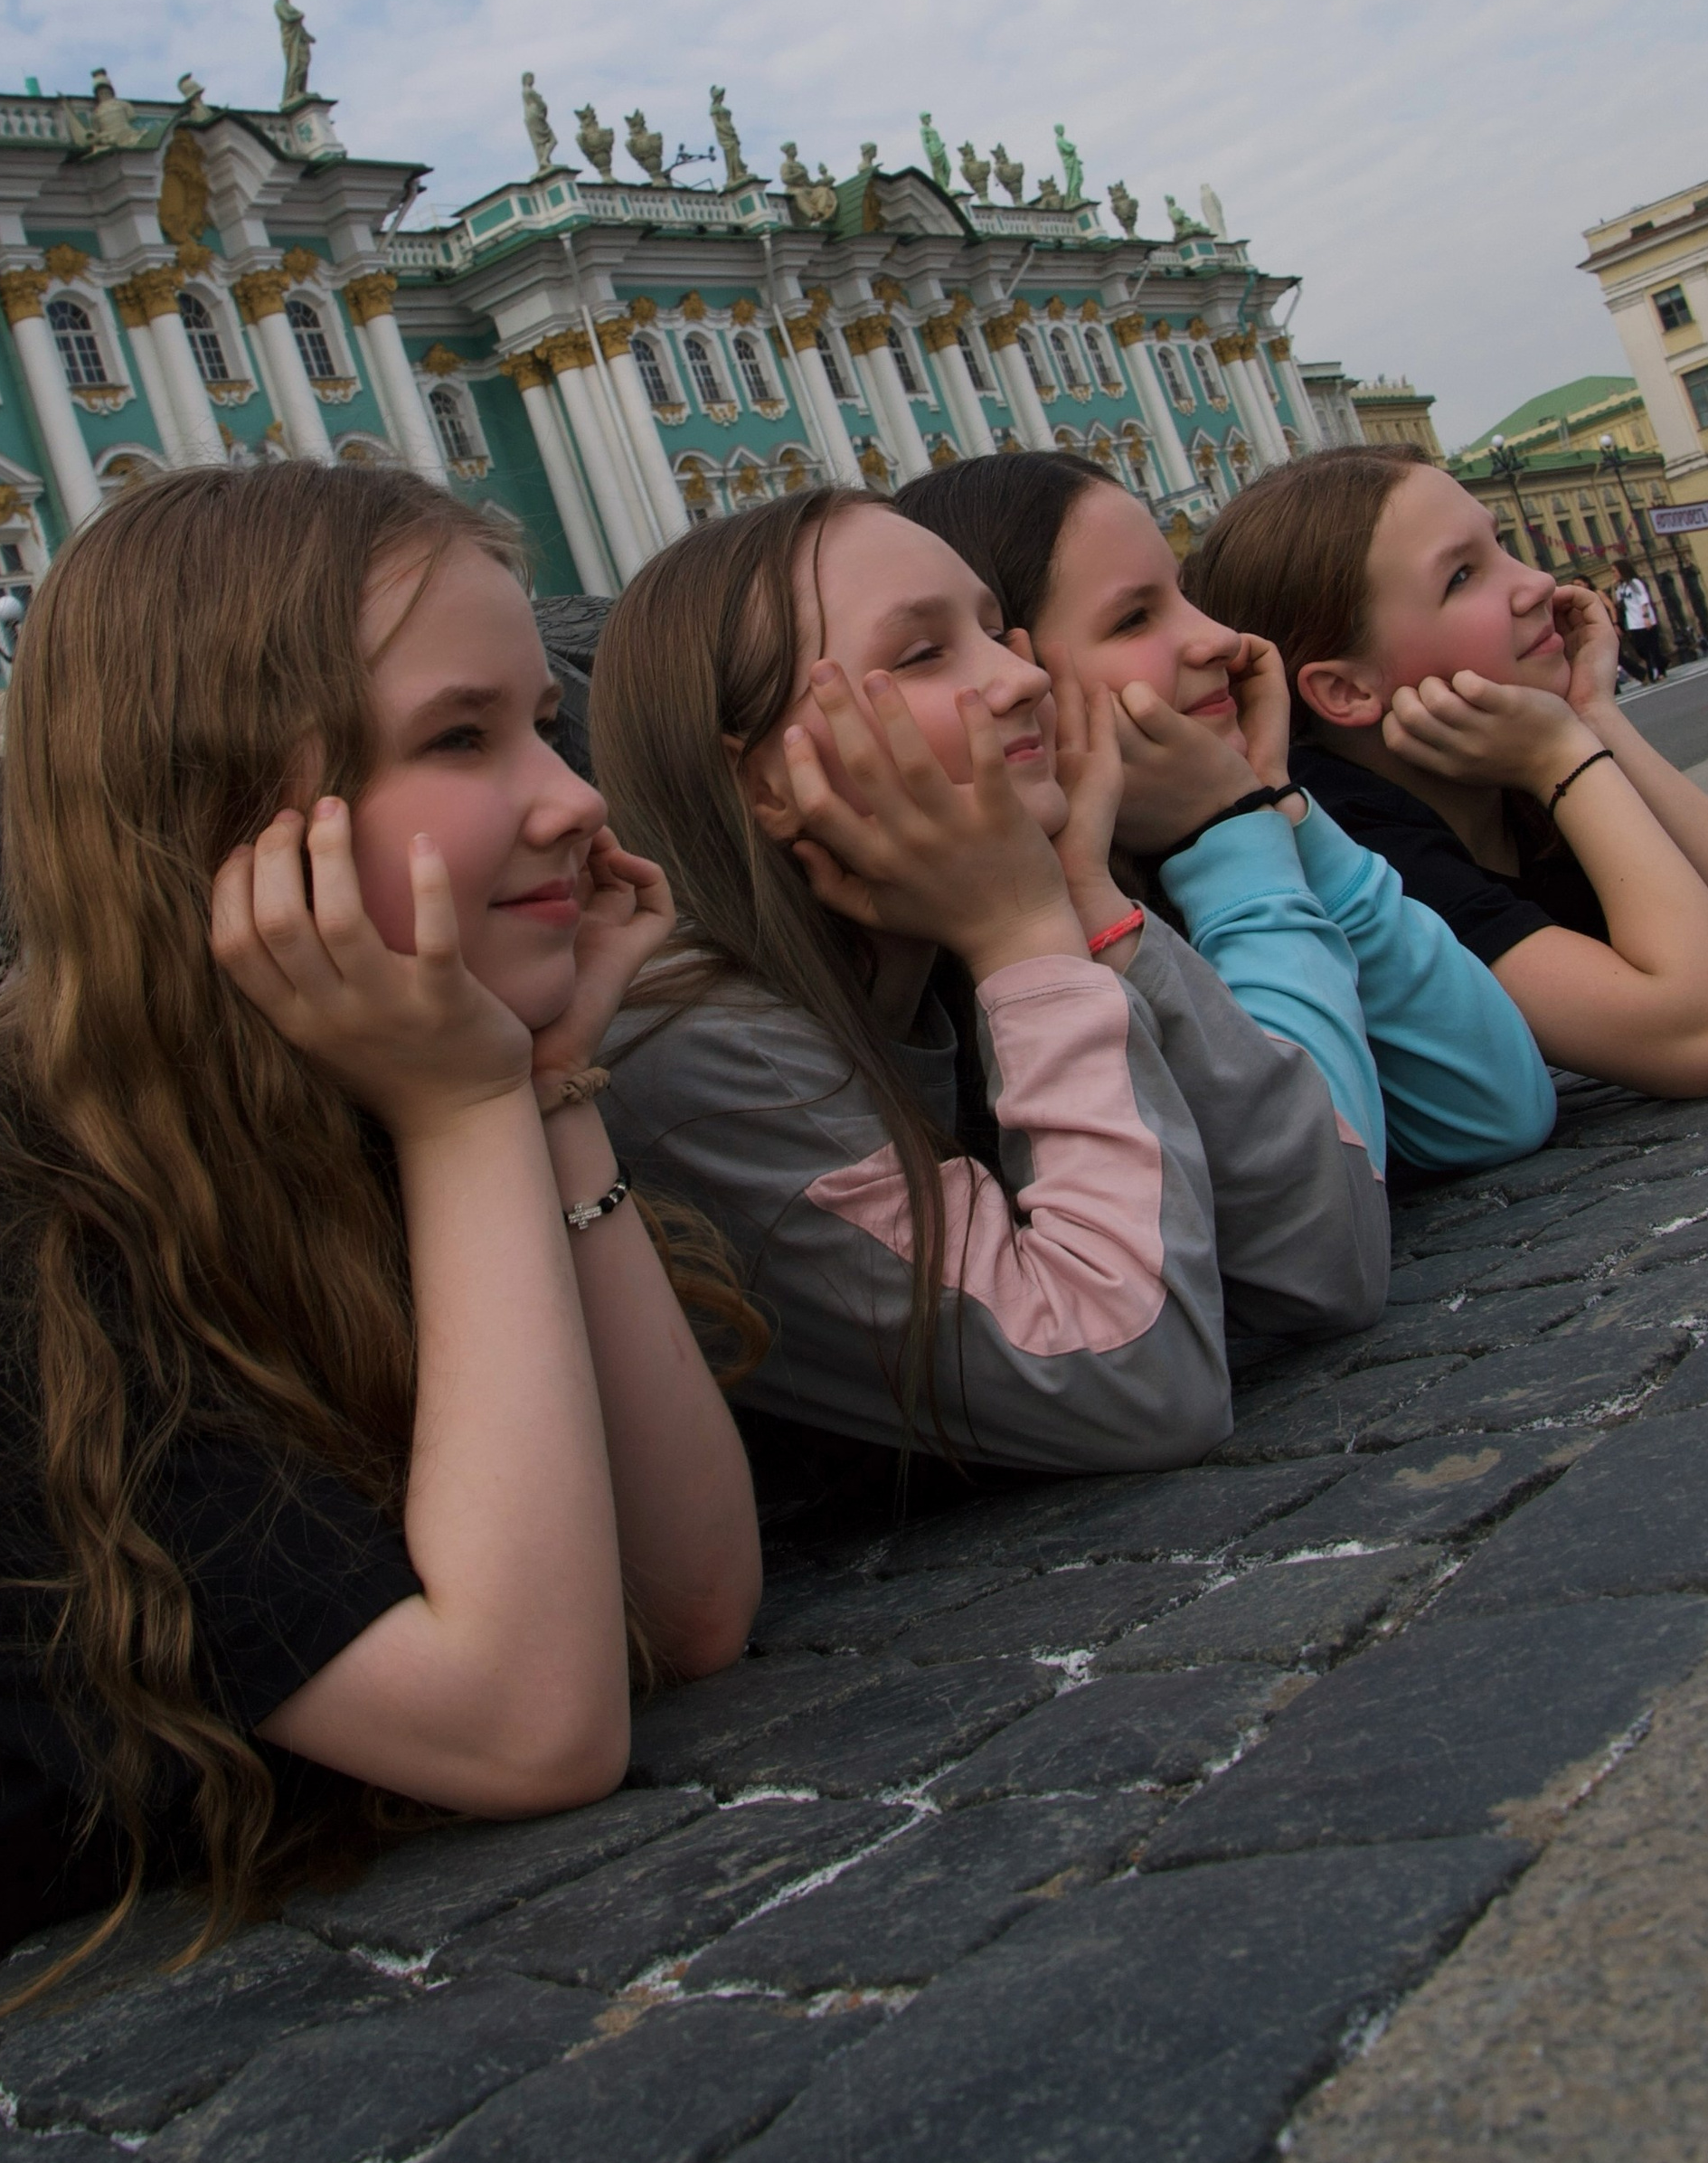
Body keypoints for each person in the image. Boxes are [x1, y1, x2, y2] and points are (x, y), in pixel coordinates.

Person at [0, 463, 761, 2034]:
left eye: (543, 721)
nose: (574, 798)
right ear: (223, 816)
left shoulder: (345, 1094)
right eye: (461, 737)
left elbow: (690, 1608)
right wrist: (477, 1112)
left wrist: (548, 1092)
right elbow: (528, 1730)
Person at [590, 489, 1389, 1476]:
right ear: (763, 781)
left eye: (993, 630)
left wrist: (1082, 898)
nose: (1021, 677)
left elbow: (1333, 1261)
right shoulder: (697, 1050)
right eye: (924, 655)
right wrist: (1026, 943)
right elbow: (1138, 1384)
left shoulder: (956, 941)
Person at [895, 455, 1554, 1176]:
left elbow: (1495, 1110)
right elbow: (1324, 1184)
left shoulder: (1185, 842)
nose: (1219, 637)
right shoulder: (1036, 941)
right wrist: (1229, 841)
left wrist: (1271, 804)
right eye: (1134, 617)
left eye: (1184, 592)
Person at [1185, 451, 1708, 1099]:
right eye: (1461, 576)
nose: (1537, 582)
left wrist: (1595, 719)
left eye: (1503, 545)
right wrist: (1562, 758)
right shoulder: (1356, 838)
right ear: (1346, 691)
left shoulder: (1502, 777)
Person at [1612, 566, 1666, 680]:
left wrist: (1646, 617)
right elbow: (1617, 602)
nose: (1614, 574)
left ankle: (1658, 672)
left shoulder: (1635, 583)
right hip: (1633, 623)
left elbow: (1644, 600)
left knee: (1653, 647)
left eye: (1614, 571)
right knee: (1640, 648)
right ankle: (1659, 665)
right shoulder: (1621, 587)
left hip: (1644, 620)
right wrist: (1614, 587)